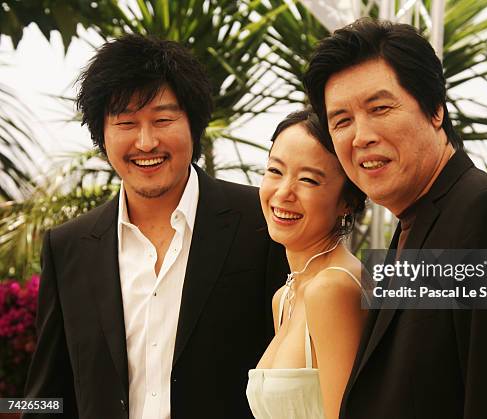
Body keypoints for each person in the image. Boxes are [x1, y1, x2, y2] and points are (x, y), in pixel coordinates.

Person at [303, 18, 487, 419]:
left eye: (379, 108)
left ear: (436, 110)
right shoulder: (411, 225)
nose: (360, 135)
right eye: (341, 120)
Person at [23, 34, 288, 419]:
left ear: (193, 123)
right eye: (126, 123)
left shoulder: (262, 222)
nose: (146, 142)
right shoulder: (68, 247)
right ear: (102, 133)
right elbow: (47, 392)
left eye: (163, 119)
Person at [246, 109, 369, 419]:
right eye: (275, 171)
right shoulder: (285, 296)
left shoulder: (334, 288)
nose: (284, 192)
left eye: (308, 180)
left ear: (347, 200)